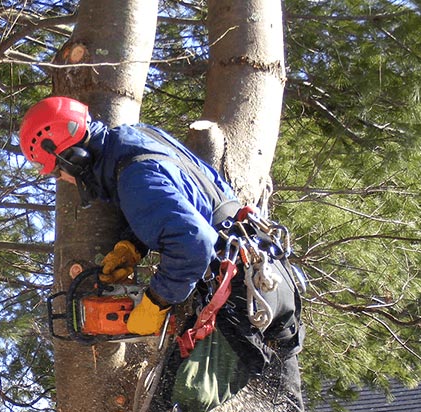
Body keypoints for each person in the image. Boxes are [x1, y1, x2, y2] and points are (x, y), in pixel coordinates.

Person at [19, 96, 304, 411]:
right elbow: (176, 200)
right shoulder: (138, 141)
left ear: (73, 158)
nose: (62, 179)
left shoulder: (133, 178)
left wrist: (157, 301)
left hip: (239, 293)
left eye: (58, 171)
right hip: (271, 276)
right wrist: (134, 245)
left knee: (177, 401)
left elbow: (194, 244)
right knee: (286, 404)